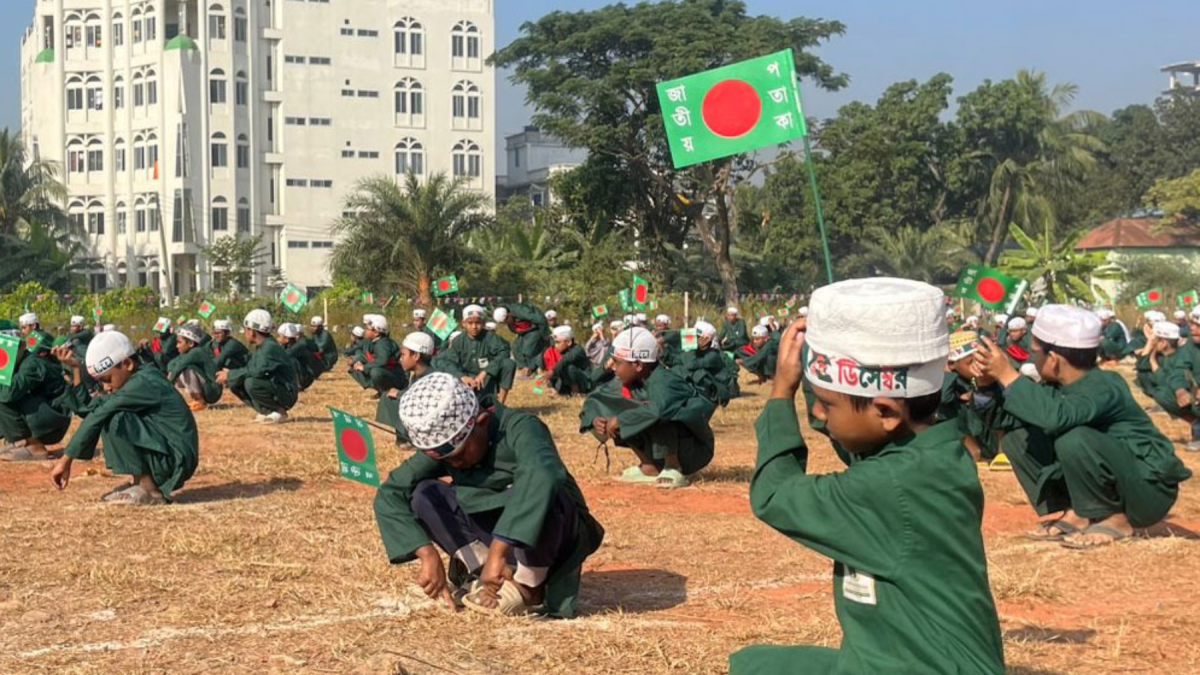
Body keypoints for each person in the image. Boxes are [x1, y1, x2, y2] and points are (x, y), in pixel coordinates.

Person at [731, 277, 1004, 674]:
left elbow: (774, 494)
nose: (819, 415)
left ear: (888, 412)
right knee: (755, 665)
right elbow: (855, 432)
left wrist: (781, 395)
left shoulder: (889, 485)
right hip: (907, 657)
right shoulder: (936, 451)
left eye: (825, 404)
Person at [373, 373, 604, 617]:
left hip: (550, 536)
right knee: (425, 494)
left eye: (459, 455)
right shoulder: (451, 446)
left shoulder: (522, 428)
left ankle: (529, 585)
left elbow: (542, 475)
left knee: (548, 492)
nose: (456, 464)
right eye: (446, 460)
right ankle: (482, 570)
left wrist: (499, 549)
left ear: (481, 422)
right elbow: (391, 491)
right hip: (495, 534)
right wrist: (425, 552)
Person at [979, 305, 1193, 548]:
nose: (1032, 358)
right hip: (1125, 481)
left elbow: (1056, 417)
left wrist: (1008, 374)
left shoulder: (1104, 385)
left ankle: (1115, 520)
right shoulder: (1057, 385)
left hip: (1148, 489)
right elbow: (1005, 420)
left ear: (1053, 359)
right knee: (1016, 438)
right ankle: (1078, 512)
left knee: (1072, 437)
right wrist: (986, 386)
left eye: (1035, 352)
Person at [49, 330, 199, 505]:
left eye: (107, 379)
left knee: (115, 417)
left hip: (176, 460)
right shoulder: (132, 381)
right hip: (169, 454)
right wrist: (75, 369)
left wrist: (66, 460)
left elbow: (100, 414)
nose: (106, 387)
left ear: (127, 364)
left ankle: (149, 490)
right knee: (108, 411)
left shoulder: (143, 382)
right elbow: (88, 410)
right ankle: (140, 483)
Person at [580, 327, 716, 489]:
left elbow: (659, 410)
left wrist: (620, 420)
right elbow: (594, 400)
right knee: (623, 409)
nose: (613, 368)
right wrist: (595, 419)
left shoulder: (664, 381)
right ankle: (649, 467)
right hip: (663, 447)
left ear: (637, 365)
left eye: (618, 363)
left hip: (693, 451)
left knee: (658, 414)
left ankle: (673, 467)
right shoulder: (631, 380)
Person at [216, 309, 298, 424]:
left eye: (246, 329)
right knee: (235, 382)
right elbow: (251, 367)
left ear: (251, 331)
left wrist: (230, 375)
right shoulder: (262, 346)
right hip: (277, 387)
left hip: (286, 393)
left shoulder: (270, 347)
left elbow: (256, 371)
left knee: (250, 382)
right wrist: (231, 375)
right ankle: (267, 411)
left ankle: (279, 412)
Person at [0, 331, 71, 461]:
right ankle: (19, 442)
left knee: (4, 395)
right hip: (45, 416)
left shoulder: (31, 364)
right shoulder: (23, 362)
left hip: (53, 422)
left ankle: (33, 446)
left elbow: (8, 394)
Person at [434, 305, 516, 404]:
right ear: (463, 324)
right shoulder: (458, 341)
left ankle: (500, 403)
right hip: (466, 379)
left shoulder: (490, 337)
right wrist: (462, 376)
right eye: (470, 323)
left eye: (477, 323)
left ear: (483, 323)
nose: (474, 327)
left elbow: (504, 352)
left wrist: (486, 371)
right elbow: (445, 361)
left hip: (487, 377)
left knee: (509, 363)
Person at [378, 331, 439, 439]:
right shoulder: (416, 375)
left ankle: (408, 438)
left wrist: (399, 394)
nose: (400, 359)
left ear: (416, 355)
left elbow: (421, 398)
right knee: (387, 396)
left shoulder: (431, 378)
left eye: (403, 354)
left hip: (429, 431)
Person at [167, 322, 223, 412]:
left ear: (191, 343)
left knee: (187, 369)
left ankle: (199, 401)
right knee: (180, 367)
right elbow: (171, 365)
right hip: (208, 388)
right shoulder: (187, 353)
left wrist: (165, 388)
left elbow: (178, 367)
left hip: (213, 391)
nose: (177, 346)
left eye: (179, 342)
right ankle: (196, 400)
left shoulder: (197, 352)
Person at [683, 321, 738, 405]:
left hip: (718, 391)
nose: (691, 339)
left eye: (696, 337)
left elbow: (690, 365)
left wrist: (690, 348)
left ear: (706, 340)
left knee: (697, 373)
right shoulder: (699, 352)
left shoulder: (712, 355)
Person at [352, 314, 406, 400]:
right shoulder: (375, 341)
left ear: (376, 332)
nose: (365, 331)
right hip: (389, 372)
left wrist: (364, 367)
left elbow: (382, 360)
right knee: (357, 363)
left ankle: (386, 393)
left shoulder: (383, 344)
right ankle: (381, 391)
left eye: (367, 329)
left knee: (375, 372)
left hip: (397, 376)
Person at [494, 303, 549, 376]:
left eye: (506, 320)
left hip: (537, 328)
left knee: (528, 348)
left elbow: (540, 320)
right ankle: (523, 367)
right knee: (515, 347)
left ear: (509, 314)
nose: (506, 323)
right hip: (525, 332)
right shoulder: (510, 321)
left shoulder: (521, 311)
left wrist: (545, 335)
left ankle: (533, 368)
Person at [546, 326, 593, 396]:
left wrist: (552, 372)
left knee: (568, 367)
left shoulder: (577, 350)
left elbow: (565, 360)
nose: (555, 346)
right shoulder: (564, 351)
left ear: (568, 342)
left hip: (585, 382)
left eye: (558, 342)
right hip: (569, 381)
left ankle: (576, 391)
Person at [279, 323, 322, 391]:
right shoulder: (291, 345)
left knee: (289, 360)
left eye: (280, 336)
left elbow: (283, 356)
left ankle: (297, 385)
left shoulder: (299, 346)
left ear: (286, 338)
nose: (278, 338)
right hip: (304, 375)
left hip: (305, 377)